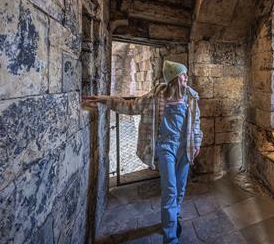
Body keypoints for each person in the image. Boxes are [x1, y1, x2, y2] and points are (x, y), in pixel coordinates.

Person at [84, 60, 203, 244]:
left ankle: (175, 215)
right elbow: (130, 106)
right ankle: (170, 238)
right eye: (183, 74)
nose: (187, 77)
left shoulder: (191, 97)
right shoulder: (157, 98)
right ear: (173, 78)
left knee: (180, 187)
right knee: (170, 190)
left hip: (184, 148)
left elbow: (195, 123)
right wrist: (104, 100)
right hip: (165, 149)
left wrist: (196, 143)